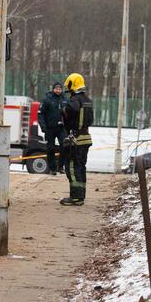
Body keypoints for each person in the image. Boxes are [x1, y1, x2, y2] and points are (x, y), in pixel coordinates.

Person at [60, 73, 93, 206]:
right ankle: (80, 196)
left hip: (76, 139)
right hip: (86, 138)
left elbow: (71, 112)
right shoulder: (88, 100)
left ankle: (75, 197)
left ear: (72, 84)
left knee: (72, 167)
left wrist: (63, 111)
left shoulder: (74, 100)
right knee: (81, 167)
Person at [37, 82, 67, 175]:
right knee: (50, 149)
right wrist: (43, 127)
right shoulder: (47, 99)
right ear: (53, 89)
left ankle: (61, 167)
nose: (58, 90)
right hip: (50, 128)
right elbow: (40, 114)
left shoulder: (65, 99)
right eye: (56, 89)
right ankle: (52, 169)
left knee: (64, 146)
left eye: (60, 89)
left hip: (61, 128)